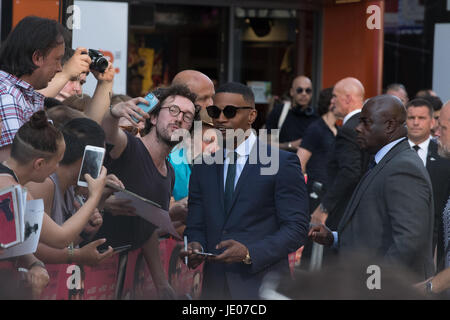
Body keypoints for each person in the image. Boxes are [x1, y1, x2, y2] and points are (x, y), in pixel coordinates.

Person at [181, 82, 309, 299]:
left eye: (229, 112)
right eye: (214, 112)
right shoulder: (202, 166)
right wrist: (195, 245)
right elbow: (196, 224)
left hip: (262, 287)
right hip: (214, 289)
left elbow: (296, 228)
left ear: (251, 116)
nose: (220, 119)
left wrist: (250, 253)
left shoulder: (282, 163)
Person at [309, 94, 435, 282]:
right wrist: (334, 238)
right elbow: (375, 231)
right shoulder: (385, 160)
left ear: (390, 126)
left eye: (366, 122)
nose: (358, 129)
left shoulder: (403, 168)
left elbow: (408, 241)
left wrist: (373, 284)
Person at [96, 84, 198, 299]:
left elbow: (148, 228)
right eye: (173, 110)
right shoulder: (130, 146)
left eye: (187, 116)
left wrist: (162, 284)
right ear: (153, 118)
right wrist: (113, 113)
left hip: (123, 280)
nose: (179, 119)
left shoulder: (169, 172)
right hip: (93, 268)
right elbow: (108, 133)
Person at [0, 111, 105, 298]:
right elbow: (60, 238)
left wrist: (35, 263)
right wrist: (94, 196)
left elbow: (13, 243)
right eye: (57, 162)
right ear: (39, 164)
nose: (57, 168)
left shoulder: (8, 181)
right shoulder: (13, 190)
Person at [26, 118, 120, 266]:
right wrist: (78, 255)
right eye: (100, 157)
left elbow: (61, 246)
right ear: (88, 157)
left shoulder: (70, 188)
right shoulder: (44, 184)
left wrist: (83, 232)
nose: (102, 164)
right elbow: (34, 248)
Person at [0, 16, 68, 162]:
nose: (60, 68)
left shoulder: (21, 95)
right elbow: (14, 169)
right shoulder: (8, 97)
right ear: (37, 57)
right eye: (57, 59)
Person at [310, 77, 370, 232]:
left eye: (335, 96)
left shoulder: (349, 129)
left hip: (344, 211)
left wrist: (325, 207)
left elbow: (350, 171)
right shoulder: (369, 125)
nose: (332, 101)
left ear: (348, 98)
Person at [405, 98, 450, 271]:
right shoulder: (393, 155)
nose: (437, 133)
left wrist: (430, 287)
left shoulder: (443, 158)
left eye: (443, 128)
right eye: (411, 117)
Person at [297, 87, 337, 212]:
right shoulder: (316, 128)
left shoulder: (338, 130)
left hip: (331, 192)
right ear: (332, 103)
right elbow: (300, 162)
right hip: (315, 191)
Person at [265, 75, 318, 151]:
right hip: (283, 161)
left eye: (308, 91)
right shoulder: (279, 111)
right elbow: (266, 143)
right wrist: (289, 145)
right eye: (299, 90)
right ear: (292, 92)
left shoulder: (316, 116)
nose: (304, 94)